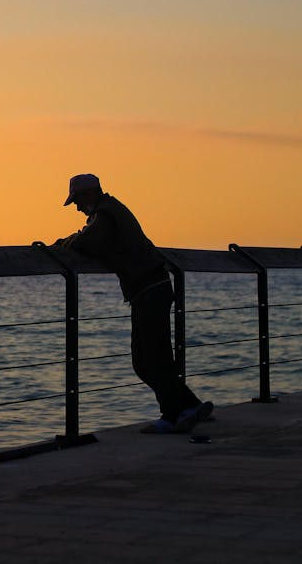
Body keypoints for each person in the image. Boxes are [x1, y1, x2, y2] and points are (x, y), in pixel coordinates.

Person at [54, 174, 213, 433]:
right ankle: (189, 405)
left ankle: (172, 415)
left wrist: (64, 243)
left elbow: (87, 242)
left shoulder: (105, 216)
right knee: (158, 355)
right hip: (155, 286)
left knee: (145, 359)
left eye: (77, 201)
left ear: (89, 195)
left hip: (147, 289)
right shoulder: (113, 210)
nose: (77, 208)